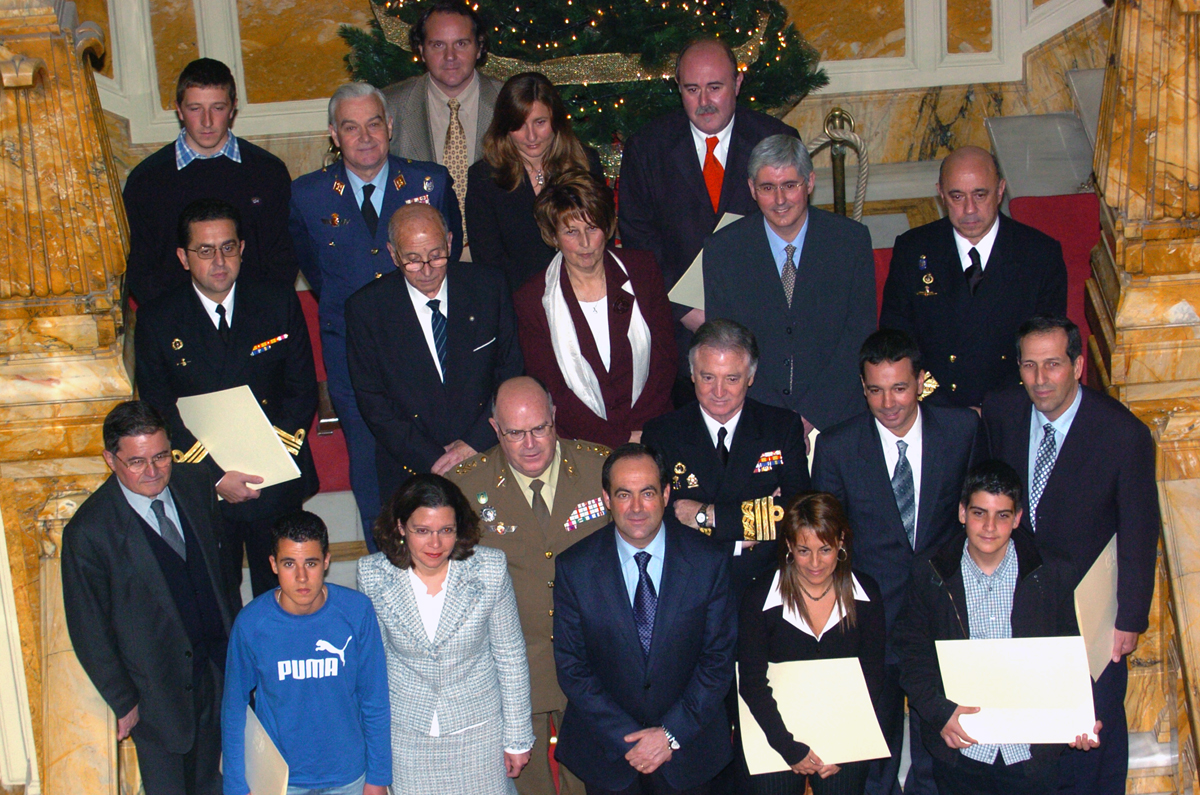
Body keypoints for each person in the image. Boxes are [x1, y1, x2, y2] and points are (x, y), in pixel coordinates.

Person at [978, 315, 1159, 795]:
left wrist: (1130, 619)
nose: (1040, 379)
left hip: (1092, 619)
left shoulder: (1124, 435)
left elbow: (1140, 534)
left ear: (1078, 366)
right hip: (1019, 610)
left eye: (1053, 365)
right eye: (1030, 365)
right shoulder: (1001, 412)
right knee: (1033, 747)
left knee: (1091, 741)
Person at [290, 81, 463, 544]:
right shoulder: (308, 195)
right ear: (334, 134)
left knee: (437, 461)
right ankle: (386, 572)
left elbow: (447, 255)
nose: (364, 137)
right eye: (351, 127)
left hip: (426, 347)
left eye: (373, 124)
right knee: (369, 471)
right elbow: (314, 267)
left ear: (389, 126)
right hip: (351, 353)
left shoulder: (430, 183)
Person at [810, 329, 978, 795]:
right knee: (873, 762)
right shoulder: (837, 447)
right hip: (869, 624)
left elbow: (977, 523)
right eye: (876, 390)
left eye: (900, 387)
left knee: (940, 756)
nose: (889, 402)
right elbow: (824, 546)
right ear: (862, 388)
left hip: (940, 621)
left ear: (921, 381)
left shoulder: (962, 430)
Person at [135, 198, 319, 597]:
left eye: (228, 247)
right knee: (216, 596)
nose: (219, 261)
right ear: (184, 257)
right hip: (204, 487)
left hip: (273, 478)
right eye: (205, 250)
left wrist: (267, 460)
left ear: (242, 249)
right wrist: (216, 476)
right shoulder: (157, 320)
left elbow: (301, 389)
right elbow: (159, 409)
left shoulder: (276, 302)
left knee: (283, 595)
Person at [61, 401, 242, 795]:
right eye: (137, 462)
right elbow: (88, 626)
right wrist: (123, 700)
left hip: (218, 671)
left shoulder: (196, 486)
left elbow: (222, 576)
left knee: (220, 783)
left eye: (161, 456)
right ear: (110, 459)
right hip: (156, 694)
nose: (154, 471)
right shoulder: (89, 533)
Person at [892, 460, 1101, 795]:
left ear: (1017, 518)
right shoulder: (929, 572)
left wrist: (1080, 715)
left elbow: (1074, 653)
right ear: (962, 513)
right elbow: (912, 652)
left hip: (1032, 754)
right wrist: (938, 712)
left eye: (1002, 515)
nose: (989, 526)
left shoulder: (1052, 573)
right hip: (961, 749)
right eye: (979, 513)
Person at [448, 375, 613, 795]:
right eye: (515, 433)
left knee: (596, 782)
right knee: (529, 785)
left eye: (540, 428)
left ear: (555, 417)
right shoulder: (466, 489)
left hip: (597, 664)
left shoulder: (601, 469)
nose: (530, 444)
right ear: (494, 430)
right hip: (514, 670)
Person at [617, 37, 800, 402]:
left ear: (738, 83)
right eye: (692, 89)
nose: (704, 102)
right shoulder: (647, 148)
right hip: (680, 337)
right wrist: (686, 310)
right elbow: (638, 239)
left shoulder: (776, 140)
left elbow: (794, 232)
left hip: (764, 327)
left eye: (715, 88)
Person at [554, 443, 737, 794]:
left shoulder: (708, 561)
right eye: (624, 494)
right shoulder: (574, 568)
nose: (636, 508)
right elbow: (572, 667)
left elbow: (718, 660)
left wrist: (669, 734)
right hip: (608, 756)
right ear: (606, 498)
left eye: (648, 493)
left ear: (666, 494)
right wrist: (630, 740)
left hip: (690, 755)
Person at [357, 474, 535, 794]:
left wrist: (518, 737)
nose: (435, 544)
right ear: (400, 527)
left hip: (480, 735)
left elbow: (510, 656)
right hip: (407, 738)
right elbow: (373, 672)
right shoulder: (372, 576)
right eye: (422, 531)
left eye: (446, 531)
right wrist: (376, 757)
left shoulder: (490, 569)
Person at [345, 203, 523, 512]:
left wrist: (473, 444)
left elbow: (510, 372)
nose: (427, 270)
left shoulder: (488, 287)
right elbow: (373, 402)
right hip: (411, 467)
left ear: (451, 243)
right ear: (392, 254)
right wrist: (434, 458)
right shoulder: (366, 310)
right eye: (412, 260)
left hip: (488, 453)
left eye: (436, 255)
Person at [704, 134, 876, 434]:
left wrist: (810, 415)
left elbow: (859, 334)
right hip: (757, 419)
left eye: (790, 186)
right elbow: (727, 346)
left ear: (809, 183)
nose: (780, 200)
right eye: (768, 188)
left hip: (838, 417)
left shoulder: (850, 241)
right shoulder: (723, 250)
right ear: (751, 189)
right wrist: (778, 421)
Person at [879, 146, 1068, 409]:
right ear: (941, 194)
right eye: (957, 196)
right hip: (934, 409)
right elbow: (897, 341)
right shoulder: (913, 250)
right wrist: (938, 402)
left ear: (1000, 190)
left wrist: (994, 409)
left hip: (1011, 409)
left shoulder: (1038, 255)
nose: (969, 209)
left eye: (980, 195)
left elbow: (1048, 348)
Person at [221, 511, 391, 795]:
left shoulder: (356, 611)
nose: (301, 577)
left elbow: (374, 699)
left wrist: (378, 776)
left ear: (326, 561)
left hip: (349, 776)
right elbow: (234, 709)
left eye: (310, 563)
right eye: (289, 564)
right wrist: (236, 785)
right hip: (282, 780)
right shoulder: (252, 623)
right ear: (273, 564)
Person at [641, 319, 810, 595]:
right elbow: (658, 520)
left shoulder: (781, 428)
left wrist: (705, 515)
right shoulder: (663, 434)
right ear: (692, 374)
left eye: (732, 378)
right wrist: (757, 518)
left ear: (751, 378)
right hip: (689, 586)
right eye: (708, 377)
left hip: (766, 587)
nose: (719, 392)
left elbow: (798, 514)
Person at [513, 171, 676, 449]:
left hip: (653, 429)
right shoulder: (532, 299)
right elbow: (552, 390)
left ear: (608, 227)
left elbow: (665, 358)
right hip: (583, 443)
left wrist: (641, 433)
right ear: (553, 236)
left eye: (592, 228)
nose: (585, 243)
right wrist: (617, 440)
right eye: (571, 232)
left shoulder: (642, 270)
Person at [738, 492, 886, 795]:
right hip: (773, 738)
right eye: (804, 550)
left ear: (841, 541)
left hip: (845, 738)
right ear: (790, 546)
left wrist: (841, 746)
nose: (815, 563)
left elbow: (872, 678)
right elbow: (751, 683)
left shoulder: (867, 595)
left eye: (826, 549)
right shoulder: (759, 597)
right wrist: (788, 747)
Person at [122, 58, 296, 306]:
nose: (206, 121)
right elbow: (140, 267)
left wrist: (258, 315)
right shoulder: (147, 180)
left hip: (256, 317)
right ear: (179, 110)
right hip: (177, 324)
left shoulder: (267, 172)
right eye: (195, 108)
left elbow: (283, 258)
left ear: (233, 108)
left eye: (217, 108)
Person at [466, 72, 605, 290]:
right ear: (504, 127)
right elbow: (489, 262)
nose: (531, 137)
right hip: (519, 299)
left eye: (540, 122)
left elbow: (600, 238)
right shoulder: (484, 178)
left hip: (584, 291)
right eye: (519, 125)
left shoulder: (586, 163)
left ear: (556, 120)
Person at [383, 1, 504, 224]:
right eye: (438, 45)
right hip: (418, 249)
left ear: (479, 47)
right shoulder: (390, 107)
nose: (450, 56)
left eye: (461, 44)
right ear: (421, 50)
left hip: (496, 251)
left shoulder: (508, 103)